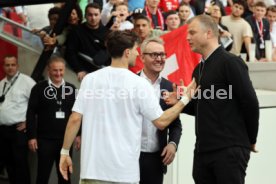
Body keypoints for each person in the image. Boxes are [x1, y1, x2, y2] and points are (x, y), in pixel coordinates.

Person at [59, 30, 196, 184]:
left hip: (92, 170)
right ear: (127, 52)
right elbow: (162, 121)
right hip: (124, 172)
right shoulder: (139, 84)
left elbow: (75, 119)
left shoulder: (90, 79)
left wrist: (64, 152)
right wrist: (186, 98)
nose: (137, 55)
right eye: (136, 51)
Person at [166, 14, 259, 184]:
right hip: (203, 152)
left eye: (192, 33)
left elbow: (250, 102)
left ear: (208, 33)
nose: (187, 37)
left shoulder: (231, 62)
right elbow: (202, 107)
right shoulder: (198, 69)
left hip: (229, 149)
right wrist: (181, 101)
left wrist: (251, 139)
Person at [26, 56, 77, 184]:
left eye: (61, 70)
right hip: (44, 140)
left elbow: (77, 114)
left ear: (64, 70)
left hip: (66, 141)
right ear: (48, 70)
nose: (58, 73)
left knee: (65, 176)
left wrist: (79, 135)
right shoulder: (38, 88)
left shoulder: (72, 89)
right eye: (55, 70)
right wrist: (31, 136)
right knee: (42, 175)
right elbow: (31, 113)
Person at [139, 37, 182, 184]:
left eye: (162, 54)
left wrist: (173, 144)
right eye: (154, 55)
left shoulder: (170, 87)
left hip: (156, 161)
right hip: (130, 158)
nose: (159, 59)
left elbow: (175, 124)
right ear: (142, 57)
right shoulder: (130, 83)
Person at [0, 55, 35, 184]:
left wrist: (28, 123)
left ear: (17, 66)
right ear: (3, 67)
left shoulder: (27, 82)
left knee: (20, 164)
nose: (10, 68)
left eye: (13, 65)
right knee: (9, 164)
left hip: (18, 130)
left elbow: (38, 105)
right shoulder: (1, 83)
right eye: (7, 65)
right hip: (3, 131)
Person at [65, 3, 110, 82]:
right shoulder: (76, 32)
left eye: (96, 15)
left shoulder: (107, 33)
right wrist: (79, 69)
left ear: (100, 16)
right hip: (84, 74)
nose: (93, 18)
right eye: (90, 15)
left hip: (103, 74)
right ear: (85, 16)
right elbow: (70, 53)